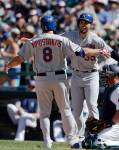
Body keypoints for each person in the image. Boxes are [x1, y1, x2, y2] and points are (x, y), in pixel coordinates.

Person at [4, 15, 109, 149]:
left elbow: (19, 59)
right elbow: (82, 52)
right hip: (59, 77)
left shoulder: (34, 40)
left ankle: (47, 141)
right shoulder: (62, 39)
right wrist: (99, 51)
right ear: (54, 26)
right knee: (65, 110)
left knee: (44, 113)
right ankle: (73, 140)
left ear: (42, 26)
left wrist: (8, 65)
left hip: (41, 78)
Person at [63, 12, 119, 140]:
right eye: (82, 22)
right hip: (75, 74)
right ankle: (79, 137)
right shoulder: (71, 35)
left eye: (86, 22)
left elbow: (111, 52)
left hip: (91, 75)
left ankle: (94, 134)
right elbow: (54, 39)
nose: (83, 24)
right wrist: (33, 40)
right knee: (77, 109)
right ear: (78, 23)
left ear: (91, 25)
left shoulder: (95, 39)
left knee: (92, 106)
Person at [82, 64, 119, 150]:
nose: (104, 77)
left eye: (107, 75)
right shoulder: (109, 87)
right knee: (88, 142)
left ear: (115, 76)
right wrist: (102, 122)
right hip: (114, 124)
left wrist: (107, 123)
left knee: (96, 142)